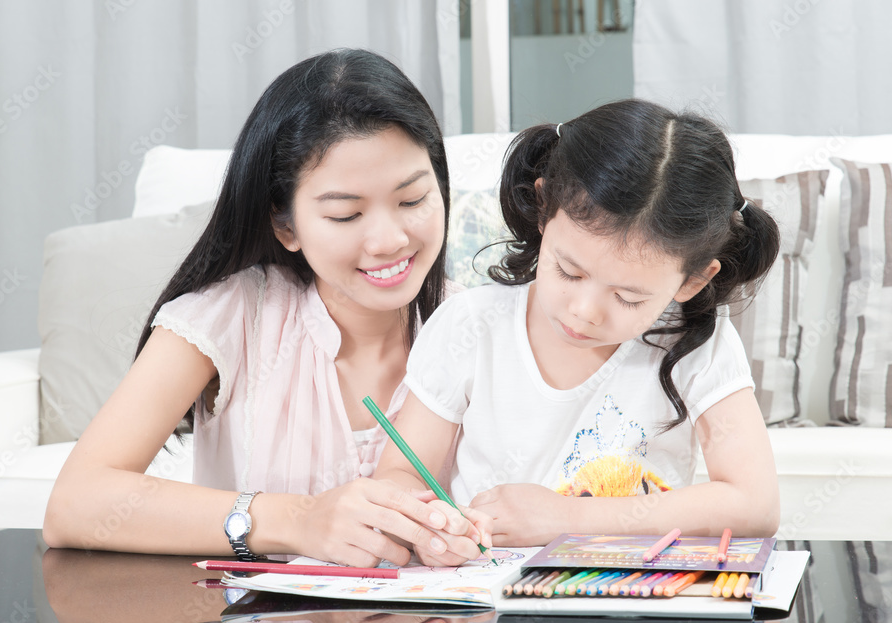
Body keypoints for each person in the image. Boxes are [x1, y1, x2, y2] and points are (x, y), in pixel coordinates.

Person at [43, 48, 487, 568]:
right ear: (286, 226)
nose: (389, 240)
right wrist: (297, 522)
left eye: (412, 200)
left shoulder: (476, 328)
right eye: (346, 214)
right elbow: (74, 505)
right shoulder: (231, 317)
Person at [374, 99, 782, 564]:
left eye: (628, 298)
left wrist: (565, 518)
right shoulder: (470, 328)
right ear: (544, 207)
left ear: (693, 280)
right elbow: (401, 475)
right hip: (487, 617)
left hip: (634, 613)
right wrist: (431, 526)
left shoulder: (695, 344)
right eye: (568, 271)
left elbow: (756, 504)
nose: (585, 312)